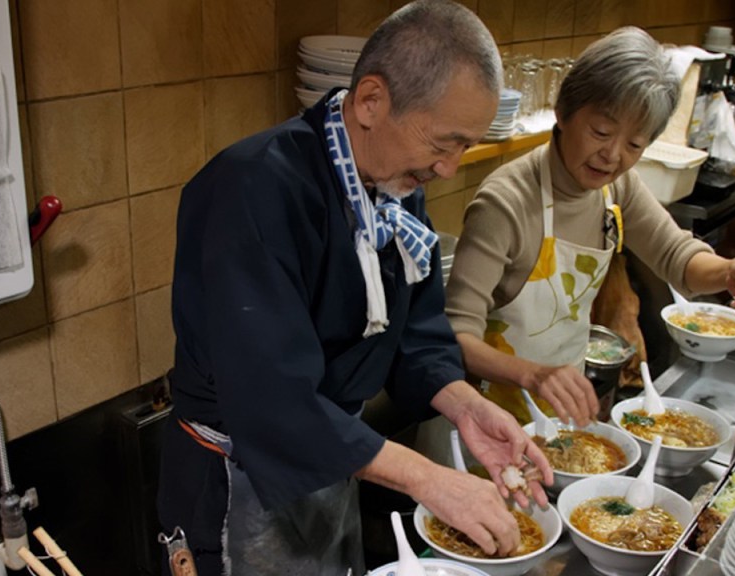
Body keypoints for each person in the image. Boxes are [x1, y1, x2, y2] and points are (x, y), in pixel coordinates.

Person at [157, 2, 553, 575]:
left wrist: (466, 406)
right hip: (237, 479)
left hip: (336, 460)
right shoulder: (251, 189)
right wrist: (428, 479)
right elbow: (271, 397)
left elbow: (415, 332)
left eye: (464, 147)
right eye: (444, 143)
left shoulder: (394, 181)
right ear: (371, 101)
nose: (449, 168)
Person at [444, 26, 735, 427]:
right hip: (481, 421)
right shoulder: (506, 202)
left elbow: (677, 257)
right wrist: (533, 375)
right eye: (601, 132)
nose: (613, 156)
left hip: (557, 418)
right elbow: (456, 336)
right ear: (563, 110)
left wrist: (731, 271)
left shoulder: (616, 188)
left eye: (634, 145)